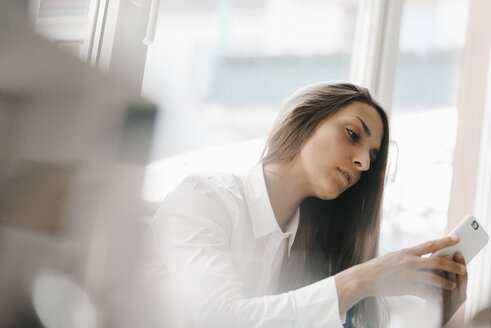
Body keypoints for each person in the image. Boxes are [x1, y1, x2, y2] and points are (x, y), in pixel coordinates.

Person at [152, 82, 467, 327]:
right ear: (300, 118)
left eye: (372, 157)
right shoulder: (203, 199)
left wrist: (440, 316)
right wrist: (363, 278)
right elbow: (221, 319)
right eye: (352, 134)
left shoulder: (313, 249)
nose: (363, 164)